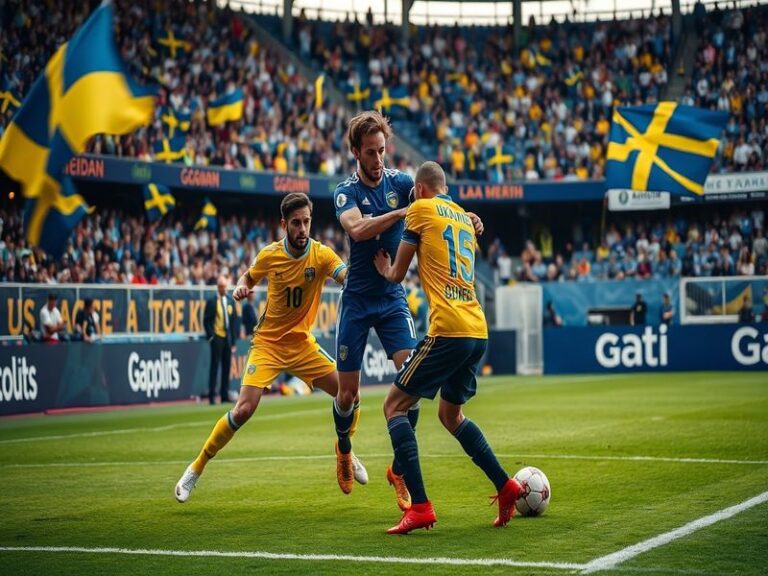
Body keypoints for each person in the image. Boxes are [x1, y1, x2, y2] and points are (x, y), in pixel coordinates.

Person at [332, 110, 483, 504]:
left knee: (410, 388)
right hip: (357, 299)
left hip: (391, 299)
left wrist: (465, 217)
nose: (378, 159)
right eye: (370, 152)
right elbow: (357, 229)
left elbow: (438, 203)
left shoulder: (401, 182)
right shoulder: (346, 191)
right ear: (356, 152)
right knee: (347, 395)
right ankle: (344, 450)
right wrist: (403, 212)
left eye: (382, 150)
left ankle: (399, 470)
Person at [373, 161, 521, 534]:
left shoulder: (420, 209)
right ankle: (506, 486)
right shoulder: (465, 218)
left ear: (421, 190)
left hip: (449, 329)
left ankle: (420, 506)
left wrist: (384, 267)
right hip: (477, 329)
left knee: (394, 406)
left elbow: (397, 275)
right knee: (451, 416)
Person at [175, 192, 352, 503]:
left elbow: (345, 276)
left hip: (302, 344)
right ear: (284, 224)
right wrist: (242, 286)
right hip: (268, 344)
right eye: (295, 223)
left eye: (306, 222)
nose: (302, 229)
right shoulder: (270, 255)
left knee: (349, 394)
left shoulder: (322, 255)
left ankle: (344, 450)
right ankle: (196, 468)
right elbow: (248, 276)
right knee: (244, 409)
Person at [204, 275, 239, 404]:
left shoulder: (230, 301)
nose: (224, 289)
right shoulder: (212, 301)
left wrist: (233, 341)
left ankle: (224, 395)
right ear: (218, 287)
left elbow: (234, 322)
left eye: (225, 286)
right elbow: (206, 320)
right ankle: (212, 396)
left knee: (226, 367)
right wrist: (211, 337)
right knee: (215, 367)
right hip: (217, 337)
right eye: (222, 287)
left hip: (227, 339)